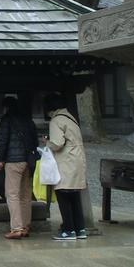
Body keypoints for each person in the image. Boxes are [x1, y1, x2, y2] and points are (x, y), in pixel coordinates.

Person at [44, 93, 87, 241]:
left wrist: (46, 143)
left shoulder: (56, 120)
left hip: (66, 161)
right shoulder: (71, 118)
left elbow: (57, 143)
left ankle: (68, 230)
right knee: (75, 195)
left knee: (63, 194)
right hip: (77, 160)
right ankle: (80, 228)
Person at [0, 96, 38, 239]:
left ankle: (17, 228)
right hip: (28, 161)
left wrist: (0, 159)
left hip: (13, 161)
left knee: (12, 194)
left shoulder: (6, 120)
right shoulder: (27, 119)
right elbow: (35, 139)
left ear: (6, 107)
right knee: (26, 194)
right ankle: (25, 226)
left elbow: (3, 140)